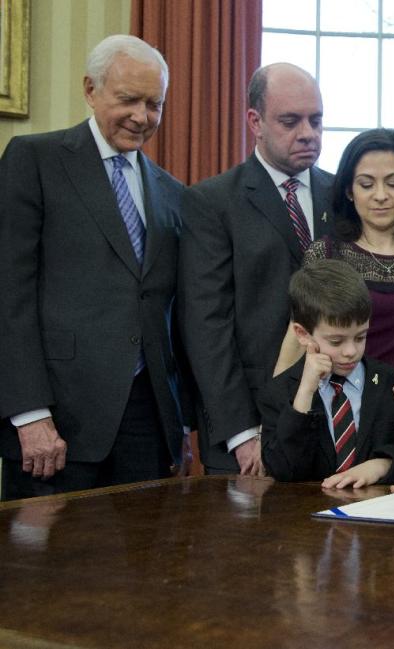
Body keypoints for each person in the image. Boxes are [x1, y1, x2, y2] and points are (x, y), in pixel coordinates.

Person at [0, 35, 187, 498]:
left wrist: (178, 422)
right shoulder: (34, 160)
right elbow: (8, 295)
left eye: (154, 104)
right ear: (90, 89)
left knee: (142, 569)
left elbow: (171, 313)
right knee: (45, 569)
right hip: (56, 425)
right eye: (128, 99)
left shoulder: (172, 192)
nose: (141, 117)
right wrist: (29, 413)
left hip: (148, 426)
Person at [178, 63, 335, 475]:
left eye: (315, 120)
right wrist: (241, 433)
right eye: (290, 121)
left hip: (334, 421)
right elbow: (206, 325)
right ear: (255, 121)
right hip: (249, 428)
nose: (307, 133)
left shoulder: (344, 196)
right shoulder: (212, 202)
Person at [274, 128, 394, 417]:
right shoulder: (326, 254)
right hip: (334, 414)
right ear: (348, 192)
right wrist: (277, 414)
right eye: (367, 185)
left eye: (393, 183)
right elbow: (296, 340)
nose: (381, 196)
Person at [260, 260, 394, 484]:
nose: (350, 351)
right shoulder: (280, 391)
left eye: (360, 337)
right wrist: (305, 394)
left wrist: (383, 464)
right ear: (302, 334)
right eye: (336, 341)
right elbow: (284, 471)